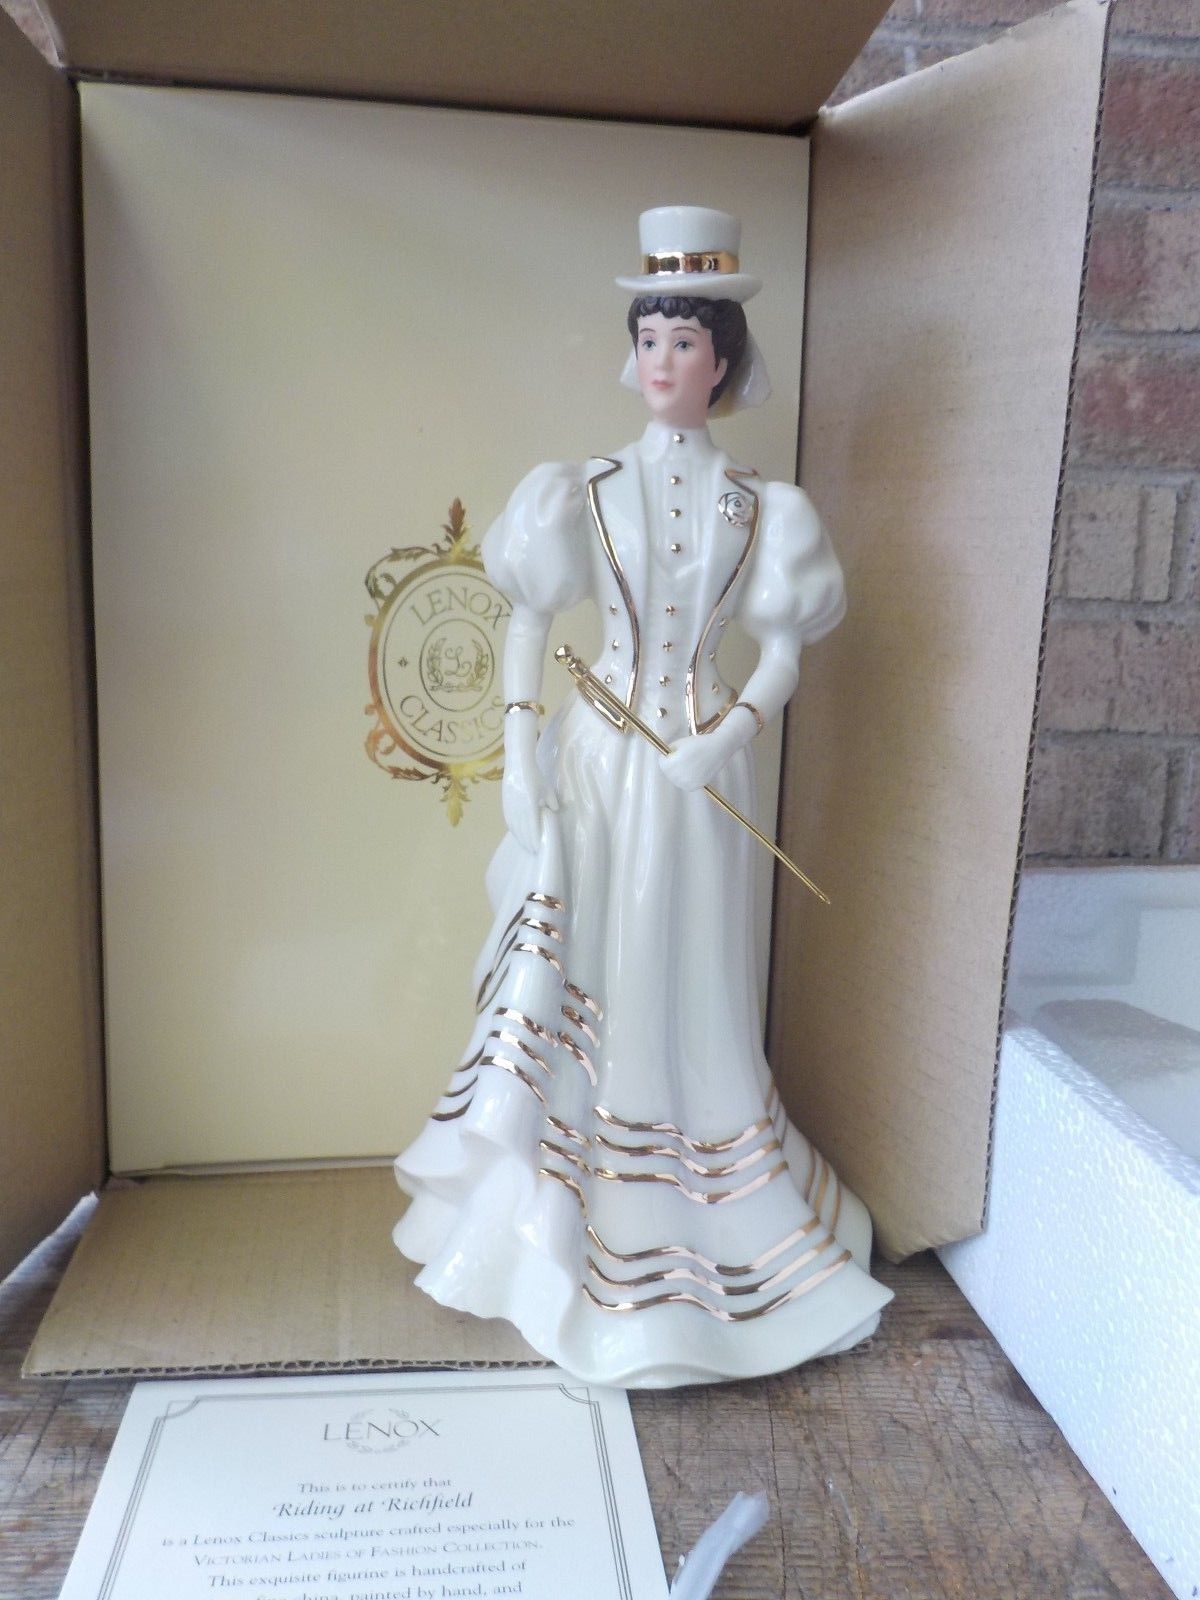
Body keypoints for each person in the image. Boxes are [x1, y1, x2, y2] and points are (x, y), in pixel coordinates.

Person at [393, 207, 891, 1386]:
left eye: (686, 341)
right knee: (591, 957)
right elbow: (531, 617)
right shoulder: (582, 489)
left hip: (696, 771)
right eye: (651, 338)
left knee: (691, 964)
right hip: (600, 762)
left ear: (722, 360)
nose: (664, 359)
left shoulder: (766, 510)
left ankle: (706, 1204)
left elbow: (783, 652)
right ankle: (566, 1214)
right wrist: (519, 749)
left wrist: (725, 738)